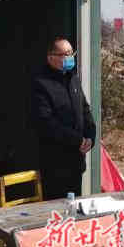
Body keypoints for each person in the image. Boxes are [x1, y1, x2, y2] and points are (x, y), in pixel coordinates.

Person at [31, 37, 96, 200]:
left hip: (76, 162)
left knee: (74, 207)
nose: (69, 57)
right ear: (50, 58)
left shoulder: (73, 79)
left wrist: (90, 136)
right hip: (55, 164)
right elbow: (47, 123)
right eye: (64, 54)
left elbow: (85, 109)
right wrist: (77, 140)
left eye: (71, 53)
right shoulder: (41, 84)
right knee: (56, 209)